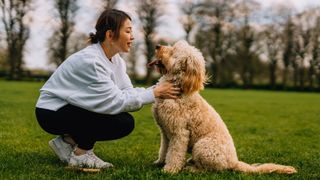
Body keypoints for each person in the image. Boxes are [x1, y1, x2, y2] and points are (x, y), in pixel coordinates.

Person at [35, 9, 180, 169]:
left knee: (122, 120)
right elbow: (114, 102)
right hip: (50, 112)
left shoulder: (116, 60)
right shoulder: (92, 61)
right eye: (128, 31)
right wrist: (155, 93)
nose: (132, 37)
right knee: (121, 122)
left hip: (68, 108)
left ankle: (67, 142)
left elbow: (126, 91)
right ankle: (81, 154)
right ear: (110, 35)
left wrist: (155, 88)